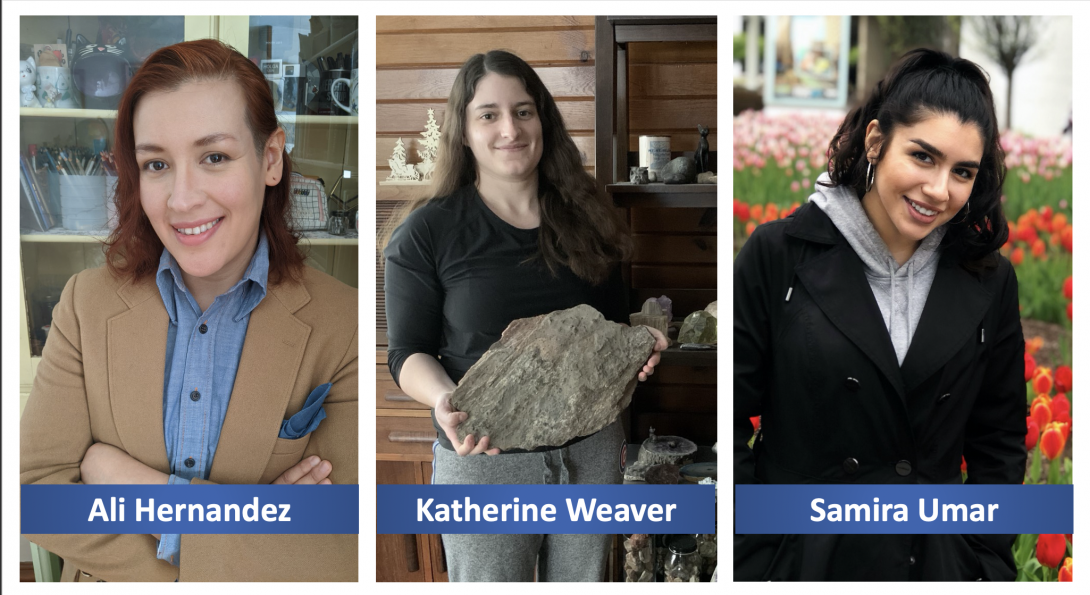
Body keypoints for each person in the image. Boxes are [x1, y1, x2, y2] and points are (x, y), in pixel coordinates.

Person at [20, 39, 358, 582]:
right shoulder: (86, 305)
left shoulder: (347, 325)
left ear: (269, 159)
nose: (181, 198)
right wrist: (241, 531)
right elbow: (33, 493)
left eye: (214, 158)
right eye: (156, 164)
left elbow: (345, 546)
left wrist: (129, 484)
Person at [734, 48, 1025, 581]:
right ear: (875, 141)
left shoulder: (988, 279)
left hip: (933, 565)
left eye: (963, 171)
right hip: (801, 563)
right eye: (922, 157)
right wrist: (755, 555)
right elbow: (725, 416)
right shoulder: (779, 256)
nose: (939, 190)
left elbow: (999, 442)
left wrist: (982, 563)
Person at [383, 49, 667, 582]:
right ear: (463, 132)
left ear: (543, 121)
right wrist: (444, 400)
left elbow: (611, 328)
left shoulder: (589, 215)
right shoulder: (427, 232)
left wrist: (641, 346)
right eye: (488, 114)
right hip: (486, 458)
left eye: (523, 111)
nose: (509, 129)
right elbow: (406, 353)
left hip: (592, 454)